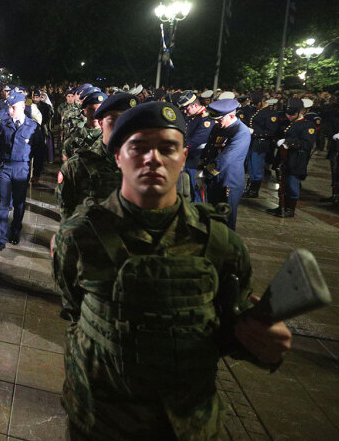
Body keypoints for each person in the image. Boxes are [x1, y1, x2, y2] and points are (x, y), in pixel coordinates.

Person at [53, 101, 292, 439]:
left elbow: (227, 327)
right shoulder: (77, 236)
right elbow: (75, 308)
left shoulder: (221, 243)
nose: (154, 158)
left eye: (168, 148)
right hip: (102, 421)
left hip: (185, 426)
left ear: (184, 156)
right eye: (138, 147)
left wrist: (262, 343)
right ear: (118, 155)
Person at [56, 92, 135, 221]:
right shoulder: (77, 165)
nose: (122, 127)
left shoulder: (148, 165)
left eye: (129, 121)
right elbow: (66, 210)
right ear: (102, 123)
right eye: (114, 120)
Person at [0, 91, 43, 251]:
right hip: (5, 167)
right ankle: (0, 237)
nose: (9, 111)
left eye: (13, 107)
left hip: (22, 168)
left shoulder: (33, 127)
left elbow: (39, 152)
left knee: (20, 203)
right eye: (9, 107)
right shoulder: (3, 124)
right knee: (3, 203)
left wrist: (37, 173)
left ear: (22, 106)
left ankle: (15, 232)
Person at [197, 98, 251, 229]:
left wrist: (205, 173)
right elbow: (209, 148)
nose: (215, 122)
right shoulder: (218, 127)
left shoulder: (241, 132)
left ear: (232, 115)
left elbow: (226, 158)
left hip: (228, 181)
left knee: (226, 221)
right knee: (212, 217)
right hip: (213, 179)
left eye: (219, 119)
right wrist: (200, 165)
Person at [265, 98, 315, 218]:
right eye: (287, 113)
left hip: (296, 160)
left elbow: (307, 144)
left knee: (292, 184)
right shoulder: (289, 123)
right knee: (283, 183)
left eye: (292, 114)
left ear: (300, 112)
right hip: (285, 158)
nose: (288, 116)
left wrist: (289, 141)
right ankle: (282, 206)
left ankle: (290, 209)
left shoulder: (307, 125)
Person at [177, 90, 213, 202]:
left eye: (186, 108)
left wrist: (184, 147)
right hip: (189, 158)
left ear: (195, 105)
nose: (185, 111)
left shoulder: (206, 118)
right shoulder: (192, 116)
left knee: (197, 189)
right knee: (188, 189)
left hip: (198, 160)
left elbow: (199, 139)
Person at [243, 93, 281, 199]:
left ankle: (254, 190)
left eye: (257, 104)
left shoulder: (270, 113)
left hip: (261, 142)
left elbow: (271, 131)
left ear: (262, 101)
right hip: (252, 141)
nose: (255, 106)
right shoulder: (255, 111)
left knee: (257, 166)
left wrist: (255, 132)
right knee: (250, 166)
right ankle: (249, 188)